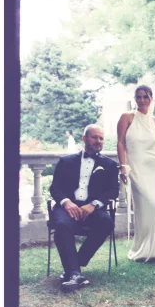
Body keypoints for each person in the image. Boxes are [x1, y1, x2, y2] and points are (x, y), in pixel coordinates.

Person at [49, 125, 119, 292]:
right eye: (94, 137)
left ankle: (75, 264)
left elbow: (113, 191)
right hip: (67, 206)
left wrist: (93, 205)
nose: (98, 141)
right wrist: (66, 202)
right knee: (62, 226)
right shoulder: (65, 161)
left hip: (92, 207)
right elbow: (55, 188)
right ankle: (74, 274)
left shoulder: (109, 165)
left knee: (106, 223)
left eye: (101, 138)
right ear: (84, 138)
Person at [116, 85, 155, 262]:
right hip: (136, 169)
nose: (142, 100)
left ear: (151, 98)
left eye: (145, 97)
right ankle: (143, 248)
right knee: (146, 207)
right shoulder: (127, 117)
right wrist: (123, 166)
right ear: (134, 98)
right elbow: (121, 143)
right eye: (138, 97)